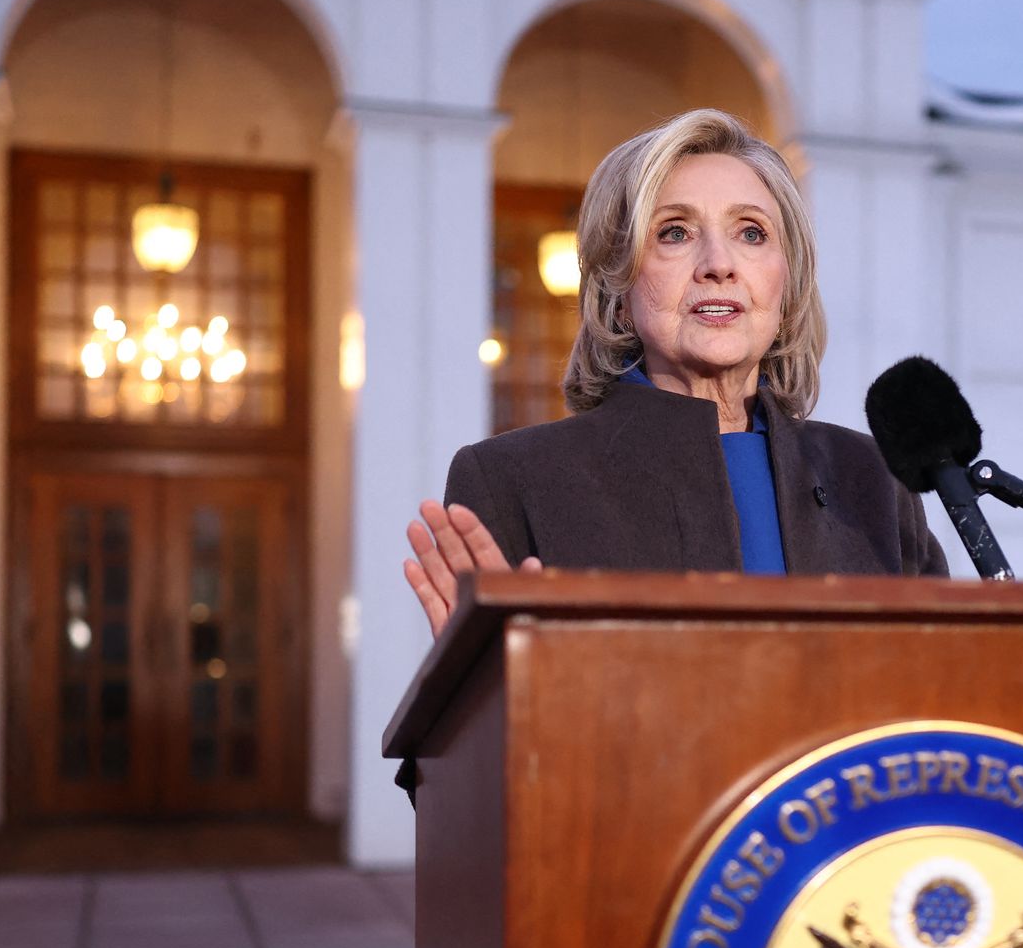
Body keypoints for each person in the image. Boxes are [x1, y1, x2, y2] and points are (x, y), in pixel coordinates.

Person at [401, 109, 947, 636]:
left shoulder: (874, 479)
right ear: (618, 293)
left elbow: (945, 703)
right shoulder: (511, 480)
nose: (718, 263)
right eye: (675, 232)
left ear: (788, 288)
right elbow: (463, 725)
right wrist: (484, 679)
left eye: (751, 233)